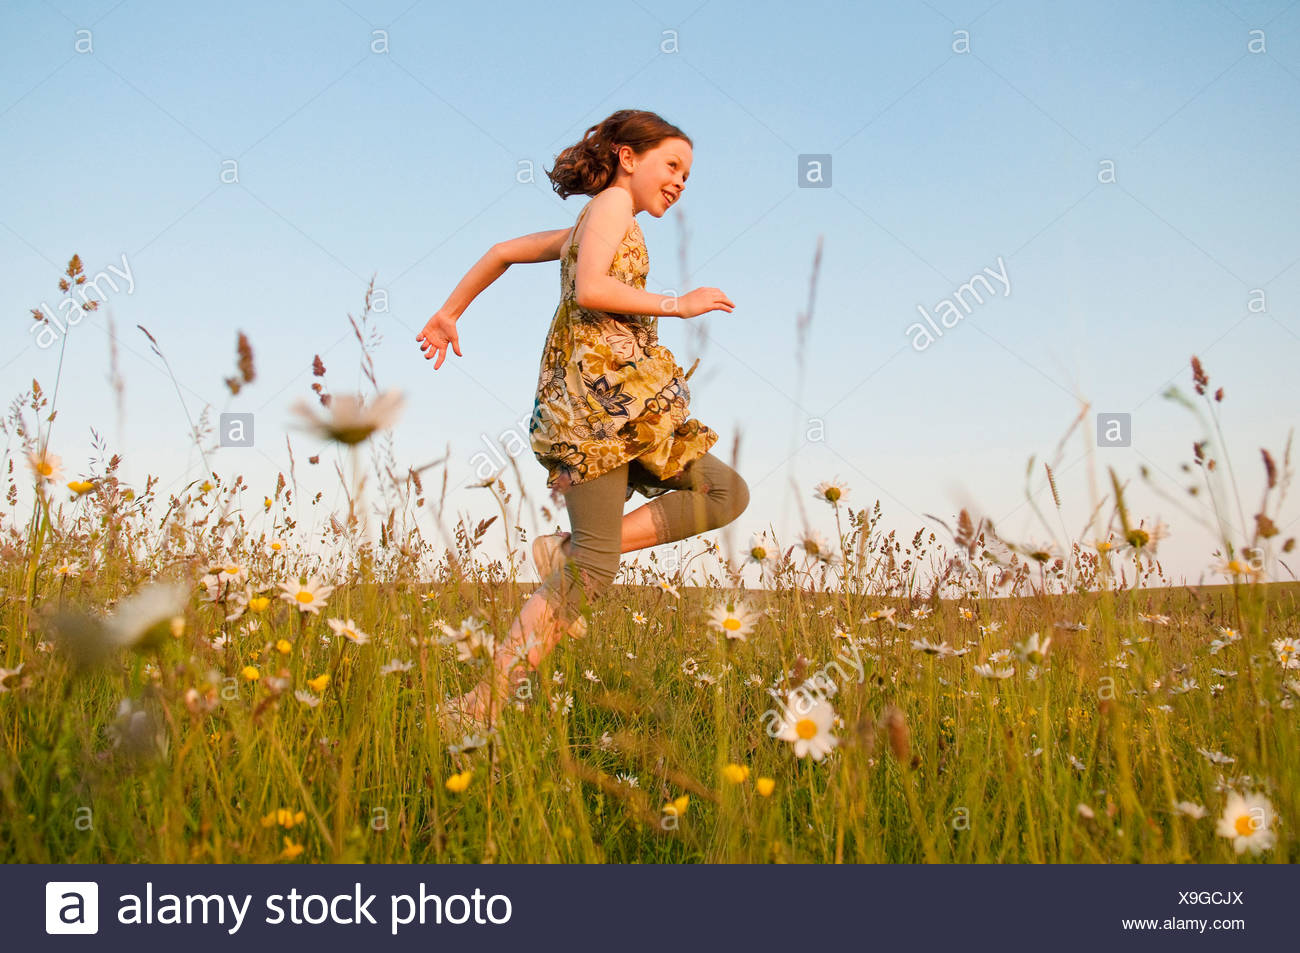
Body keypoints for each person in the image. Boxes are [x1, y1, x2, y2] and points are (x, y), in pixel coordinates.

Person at [416, 109, 749, 732]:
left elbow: (503, 252)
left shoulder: (594, 219)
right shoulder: (611, 207)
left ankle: (565, 549)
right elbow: (591, 289)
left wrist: (450, 311)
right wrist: (679, 304)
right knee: (594, 573)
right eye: (671, 165)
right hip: (594, 410)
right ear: (629, 157)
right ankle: (476, 707)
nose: (679, 181)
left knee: (725, 492)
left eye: (688, 174)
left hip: (625, 405)